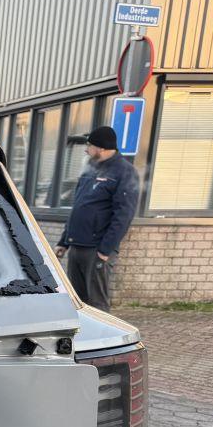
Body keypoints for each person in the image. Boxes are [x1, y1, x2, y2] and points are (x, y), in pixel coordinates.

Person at [54, 125, 140, 312]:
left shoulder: (124, 172)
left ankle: (101, 332)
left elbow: (123, 215)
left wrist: (105, 250)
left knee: (97, 304)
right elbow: (78, 207)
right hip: (77, 245)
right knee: (76, 302)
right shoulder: (90, 169)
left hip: (96, 249)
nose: (87, 149)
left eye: (89, 145)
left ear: (101, 148)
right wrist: (64, 241)